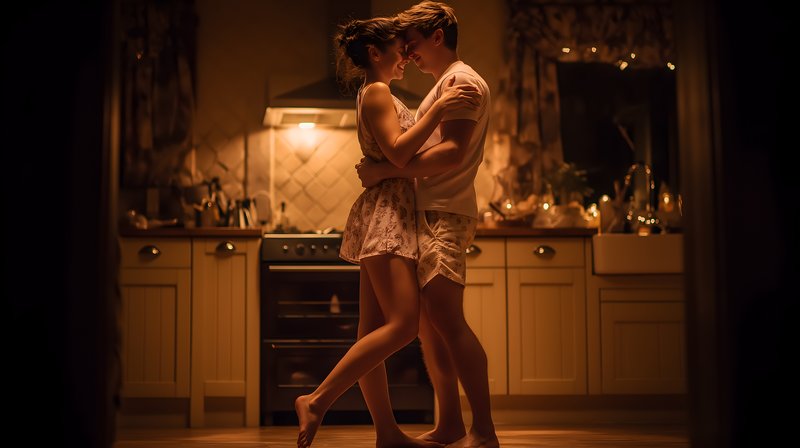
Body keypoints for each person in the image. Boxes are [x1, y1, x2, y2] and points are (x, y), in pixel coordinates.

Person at [294, 16, 481, 448]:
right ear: (375, 53)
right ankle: (317, 400)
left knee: (372, 330)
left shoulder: (376, 93)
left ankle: (387, 434)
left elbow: (396, 154)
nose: (406, 57)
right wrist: (439, 107)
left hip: (386, 210)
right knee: (403, 326)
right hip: (389, 215)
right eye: (399, 49)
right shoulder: (377, 92)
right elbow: (398, 153)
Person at [356, 2, 500, 447]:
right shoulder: (443, 85)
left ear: (438, 35)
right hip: (427, 212)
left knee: (447, 320)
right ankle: (452, 423)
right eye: (402, 46)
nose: (408, 52)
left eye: (413, 43)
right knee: (430, 327)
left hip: (443, 211)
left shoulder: (461, 82)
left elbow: (452, 152)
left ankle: (484, 431)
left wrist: (384, 171)